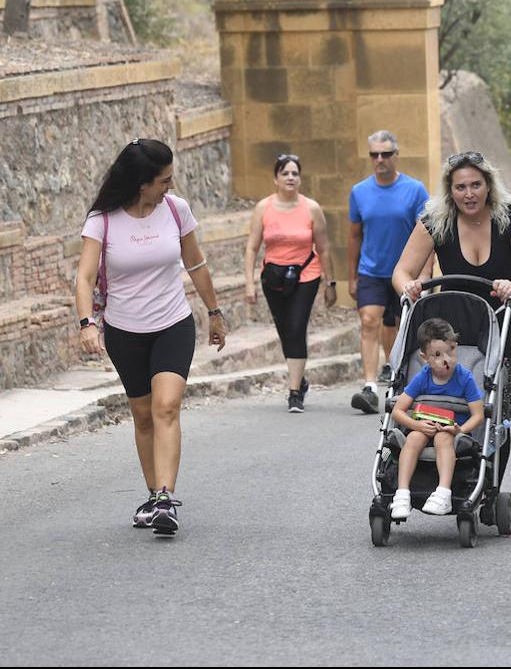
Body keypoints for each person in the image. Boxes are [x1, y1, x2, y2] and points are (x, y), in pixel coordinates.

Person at [75, 139, 228, 536]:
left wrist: (214, 312)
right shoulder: (103, 220)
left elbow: (195, 263)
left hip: (172, 324)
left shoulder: (176, 210)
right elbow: (85, 277)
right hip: (125, 332)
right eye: (163, 180)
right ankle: (152, 498)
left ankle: (165, 497)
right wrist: (86, 322)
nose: (168, 186)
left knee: (166, 406)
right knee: (143, 416)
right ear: (141, 183)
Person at [392, 151, 511, 486]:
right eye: (461, 187)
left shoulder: (510, 217)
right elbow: (402, 271)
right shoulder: (436, 221)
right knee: (446, 402)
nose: (469, 193)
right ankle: (445, 479)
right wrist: (410, 287)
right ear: (450, 190)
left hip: (504, 324)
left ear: (488, 185)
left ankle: (489, 487)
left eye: (476, 184)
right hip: (452, 333)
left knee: (496, 410)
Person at [244, 154, 337, 413]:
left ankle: (294, 392)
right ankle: (300, 378)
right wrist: (249, 284)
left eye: (295, 173)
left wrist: (330, 283)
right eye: (285, 173)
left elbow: (324, 247)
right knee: (285, 330)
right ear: (275, 178)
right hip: (272, 277)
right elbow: (252, 247)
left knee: (296, 327)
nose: (290, 178)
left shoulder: (311, 208)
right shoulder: (264, 208)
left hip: (306, 275)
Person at [348, 130, 430, 415]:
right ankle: (370, 387)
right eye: (374, 155)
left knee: (401, 327)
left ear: (396, 155)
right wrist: (352, 275)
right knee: (369, 321)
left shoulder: (415, 190)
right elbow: (354, 236)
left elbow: (429, 234)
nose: (379, 159)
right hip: (371, 270)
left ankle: (397, 383)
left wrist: (425, 275)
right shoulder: (359, 192)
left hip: (405, 272)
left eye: (385, 154)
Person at [389, 318, 485, 519]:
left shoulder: (464, 378)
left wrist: (461, 430)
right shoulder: (422, 378)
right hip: (422, 426)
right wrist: (417, 425)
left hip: (451, 431)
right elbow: (398, 411)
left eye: (451, 351)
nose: (446, 359)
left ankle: (443, 493)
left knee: (443, 438)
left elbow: (478, 415)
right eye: (438, 355)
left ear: (456, 347)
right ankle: (402, 493)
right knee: (413, 438)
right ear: (425, 358)